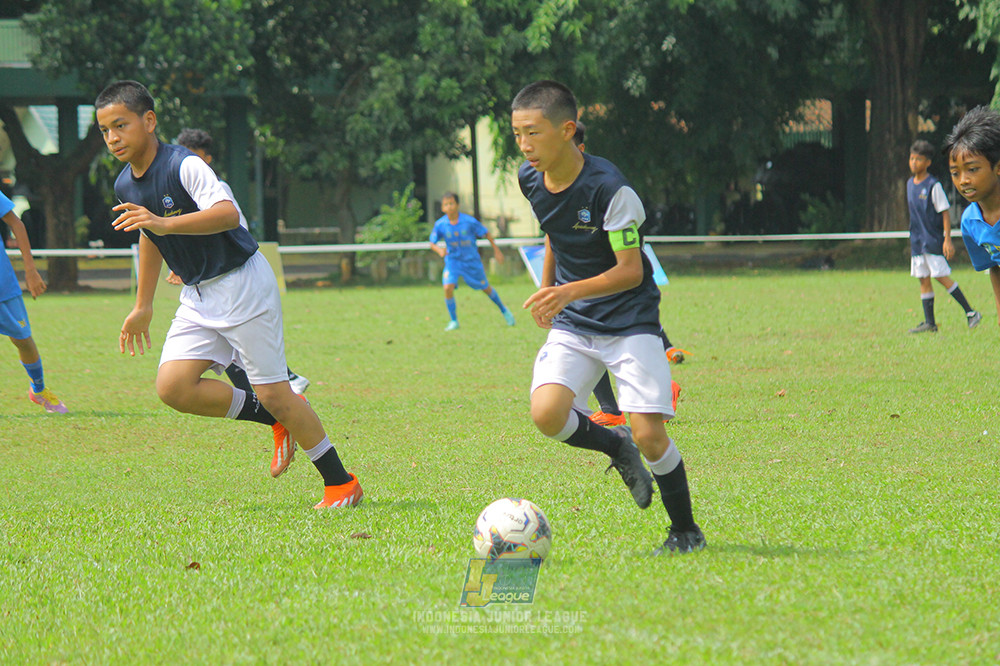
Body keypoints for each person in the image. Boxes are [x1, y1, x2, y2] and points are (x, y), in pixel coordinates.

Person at [95, 80, 362, 508]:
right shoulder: (126, 184)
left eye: (120, 125)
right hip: (199, 297)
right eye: (105, 130)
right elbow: (148, 234)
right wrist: (142, 304)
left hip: (241, 285)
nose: (112, 138)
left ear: (149, 121)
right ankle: (273, 418)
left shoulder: (184, 165)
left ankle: (341, 483)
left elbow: (226, 214)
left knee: (277, 392)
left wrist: (163, 224)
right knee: (173, 387)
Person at [513, 80, 703, 555]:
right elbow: (554, 229)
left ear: (567, 130)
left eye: (532, 133)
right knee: (547, 414)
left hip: (630, 321)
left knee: (650, 434)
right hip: (576, 321)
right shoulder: (530, 177)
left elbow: (630, 271)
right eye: (517, 134)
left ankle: (685, 530)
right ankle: (615, 447)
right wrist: (547, 287)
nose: (524, 145)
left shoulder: (611, 190)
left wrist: (564, 291)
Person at [174, 128, 310, 395]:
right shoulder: (181, 188)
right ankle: (284, 383)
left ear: (208, 159)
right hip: (208, 277)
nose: (188, 163)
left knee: (236, 348)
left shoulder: (217, 187)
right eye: (183, 155)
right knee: (229, 349)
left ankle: (282, 389)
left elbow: (234, 226)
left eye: (195, 157)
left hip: (232, 274)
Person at [572, 121, 688, 428]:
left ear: (578, 147)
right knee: (592, 337)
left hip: (613, 277)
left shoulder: (603, 184)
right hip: (591, 280)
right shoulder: (561, 183)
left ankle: (659, 389)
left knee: (609, 334)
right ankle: (612, 407)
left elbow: (630, 236)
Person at [0, 188, 66, 413]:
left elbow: (16, 224)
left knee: (23, 340)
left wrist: (30, 270)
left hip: (3, 286)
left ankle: (38, 390)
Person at [905, 139, 980, 333]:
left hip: (932, 239)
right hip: (917, 240)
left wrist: (947, 239)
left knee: (940, 276)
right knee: (923, 278)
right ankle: (930, 323)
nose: (914, 163)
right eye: (912, 158)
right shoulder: (909, 184)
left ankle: (971, 312)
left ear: (927, 162)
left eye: (918, 159)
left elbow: (944, 211)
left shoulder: (933, 185)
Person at [944, 106, 1000, 331]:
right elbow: (995, 265)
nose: (963, 180)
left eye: (972, 169)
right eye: (956, 173)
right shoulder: (969, 223)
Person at [429, 192, 516, 331]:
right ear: (443, 208)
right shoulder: (440, 225)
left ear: (457, 205)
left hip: (471, 262)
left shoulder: (469, 221)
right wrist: (439, 250)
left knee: (485, 288)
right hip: (453, 262)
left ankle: (504, 310)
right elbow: (432, 242)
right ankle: (454, 321)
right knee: (447, 287)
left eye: (451, 203)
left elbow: (486, 233)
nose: (449, 207)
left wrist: (496, 250)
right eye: (446, 204)